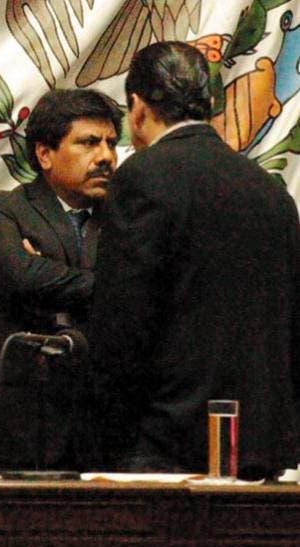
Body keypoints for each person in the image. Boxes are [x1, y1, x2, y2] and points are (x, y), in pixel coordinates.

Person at [89, 41, 300, 479]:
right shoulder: (271, 191)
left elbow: (123, 323)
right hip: (261, 445)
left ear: (137, 108)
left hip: (166, 444)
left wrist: (106, 436)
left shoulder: (142, 178)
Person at [0, 88, 122, 471]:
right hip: (11, 419)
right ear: (44, 154)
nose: (106, 156)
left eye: (111, 143)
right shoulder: (1, 208)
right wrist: (108, 286)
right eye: (89, 143)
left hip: (97, 424)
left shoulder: (125, 220)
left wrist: (47, 271)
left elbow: (140, 295)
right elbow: (18, 275)